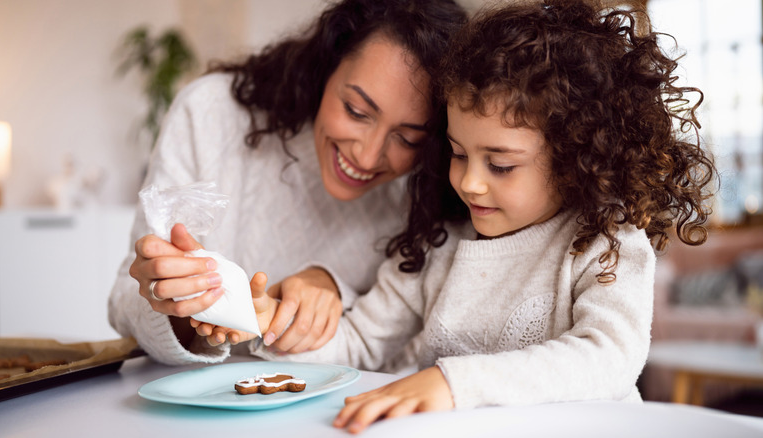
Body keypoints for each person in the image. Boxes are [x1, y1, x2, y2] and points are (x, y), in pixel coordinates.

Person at [216, 0, 717, 433]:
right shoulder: (439, 245)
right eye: (459, 154)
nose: (470, 182)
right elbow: (359, 341)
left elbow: (607, 358)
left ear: (575, 158)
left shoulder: (605, 243)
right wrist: (270, 328)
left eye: (500, 164)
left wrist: (454, 382)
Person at [108, 0, 467, 365]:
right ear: (326, 66)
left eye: (408, 139)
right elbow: (123, 303)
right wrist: (178, 307)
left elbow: (393, 345)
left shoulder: (428, 190)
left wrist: (335, 292)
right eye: (356, 112)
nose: (368, 156)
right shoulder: (209, 114)